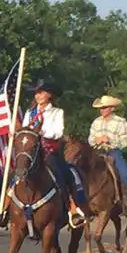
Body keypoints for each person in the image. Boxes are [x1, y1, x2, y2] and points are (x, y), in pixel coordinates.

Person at [21, 80, 89, 227]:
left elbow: (58, 132)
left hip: (49, 151)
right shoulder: (29, 112)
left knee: (66, 173)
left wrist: (41, 132)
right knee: (17, 170)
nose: (38, 95)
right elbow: (25, 129)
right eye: (37, 93)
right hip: (32, 150)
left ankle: (73, 206)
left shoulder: (57, 112)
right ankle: (4, 206)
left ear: (49, 95)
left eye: (42, 92)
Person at [88, 94, 127, 215]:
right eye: (101, 108)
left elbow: (126, 140)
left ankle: (126, 200)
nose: (102, 110)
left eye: (105, 107)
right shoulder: (96, 122)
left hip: (113, 151)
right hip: (97, 151)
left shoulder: (120, 122)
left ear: (112, 108)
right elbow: (90, 139)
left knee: (123, 172)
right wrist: (96, 140)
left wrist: (110, 141)